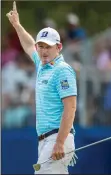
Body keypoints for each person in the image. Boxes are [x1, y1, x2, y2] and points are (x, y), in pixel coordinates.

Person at [6, 1, 77, 174]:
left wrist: (60, 142)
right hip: (45, 140)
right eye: (41, 47)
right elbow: (29, 45)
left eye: (48, 47)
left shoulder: (62, 70)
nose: (44, 51)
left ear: (58, 47)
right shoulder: (41, 63)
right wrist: (17, 25)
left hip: (57, 138)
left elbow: (71, 107)